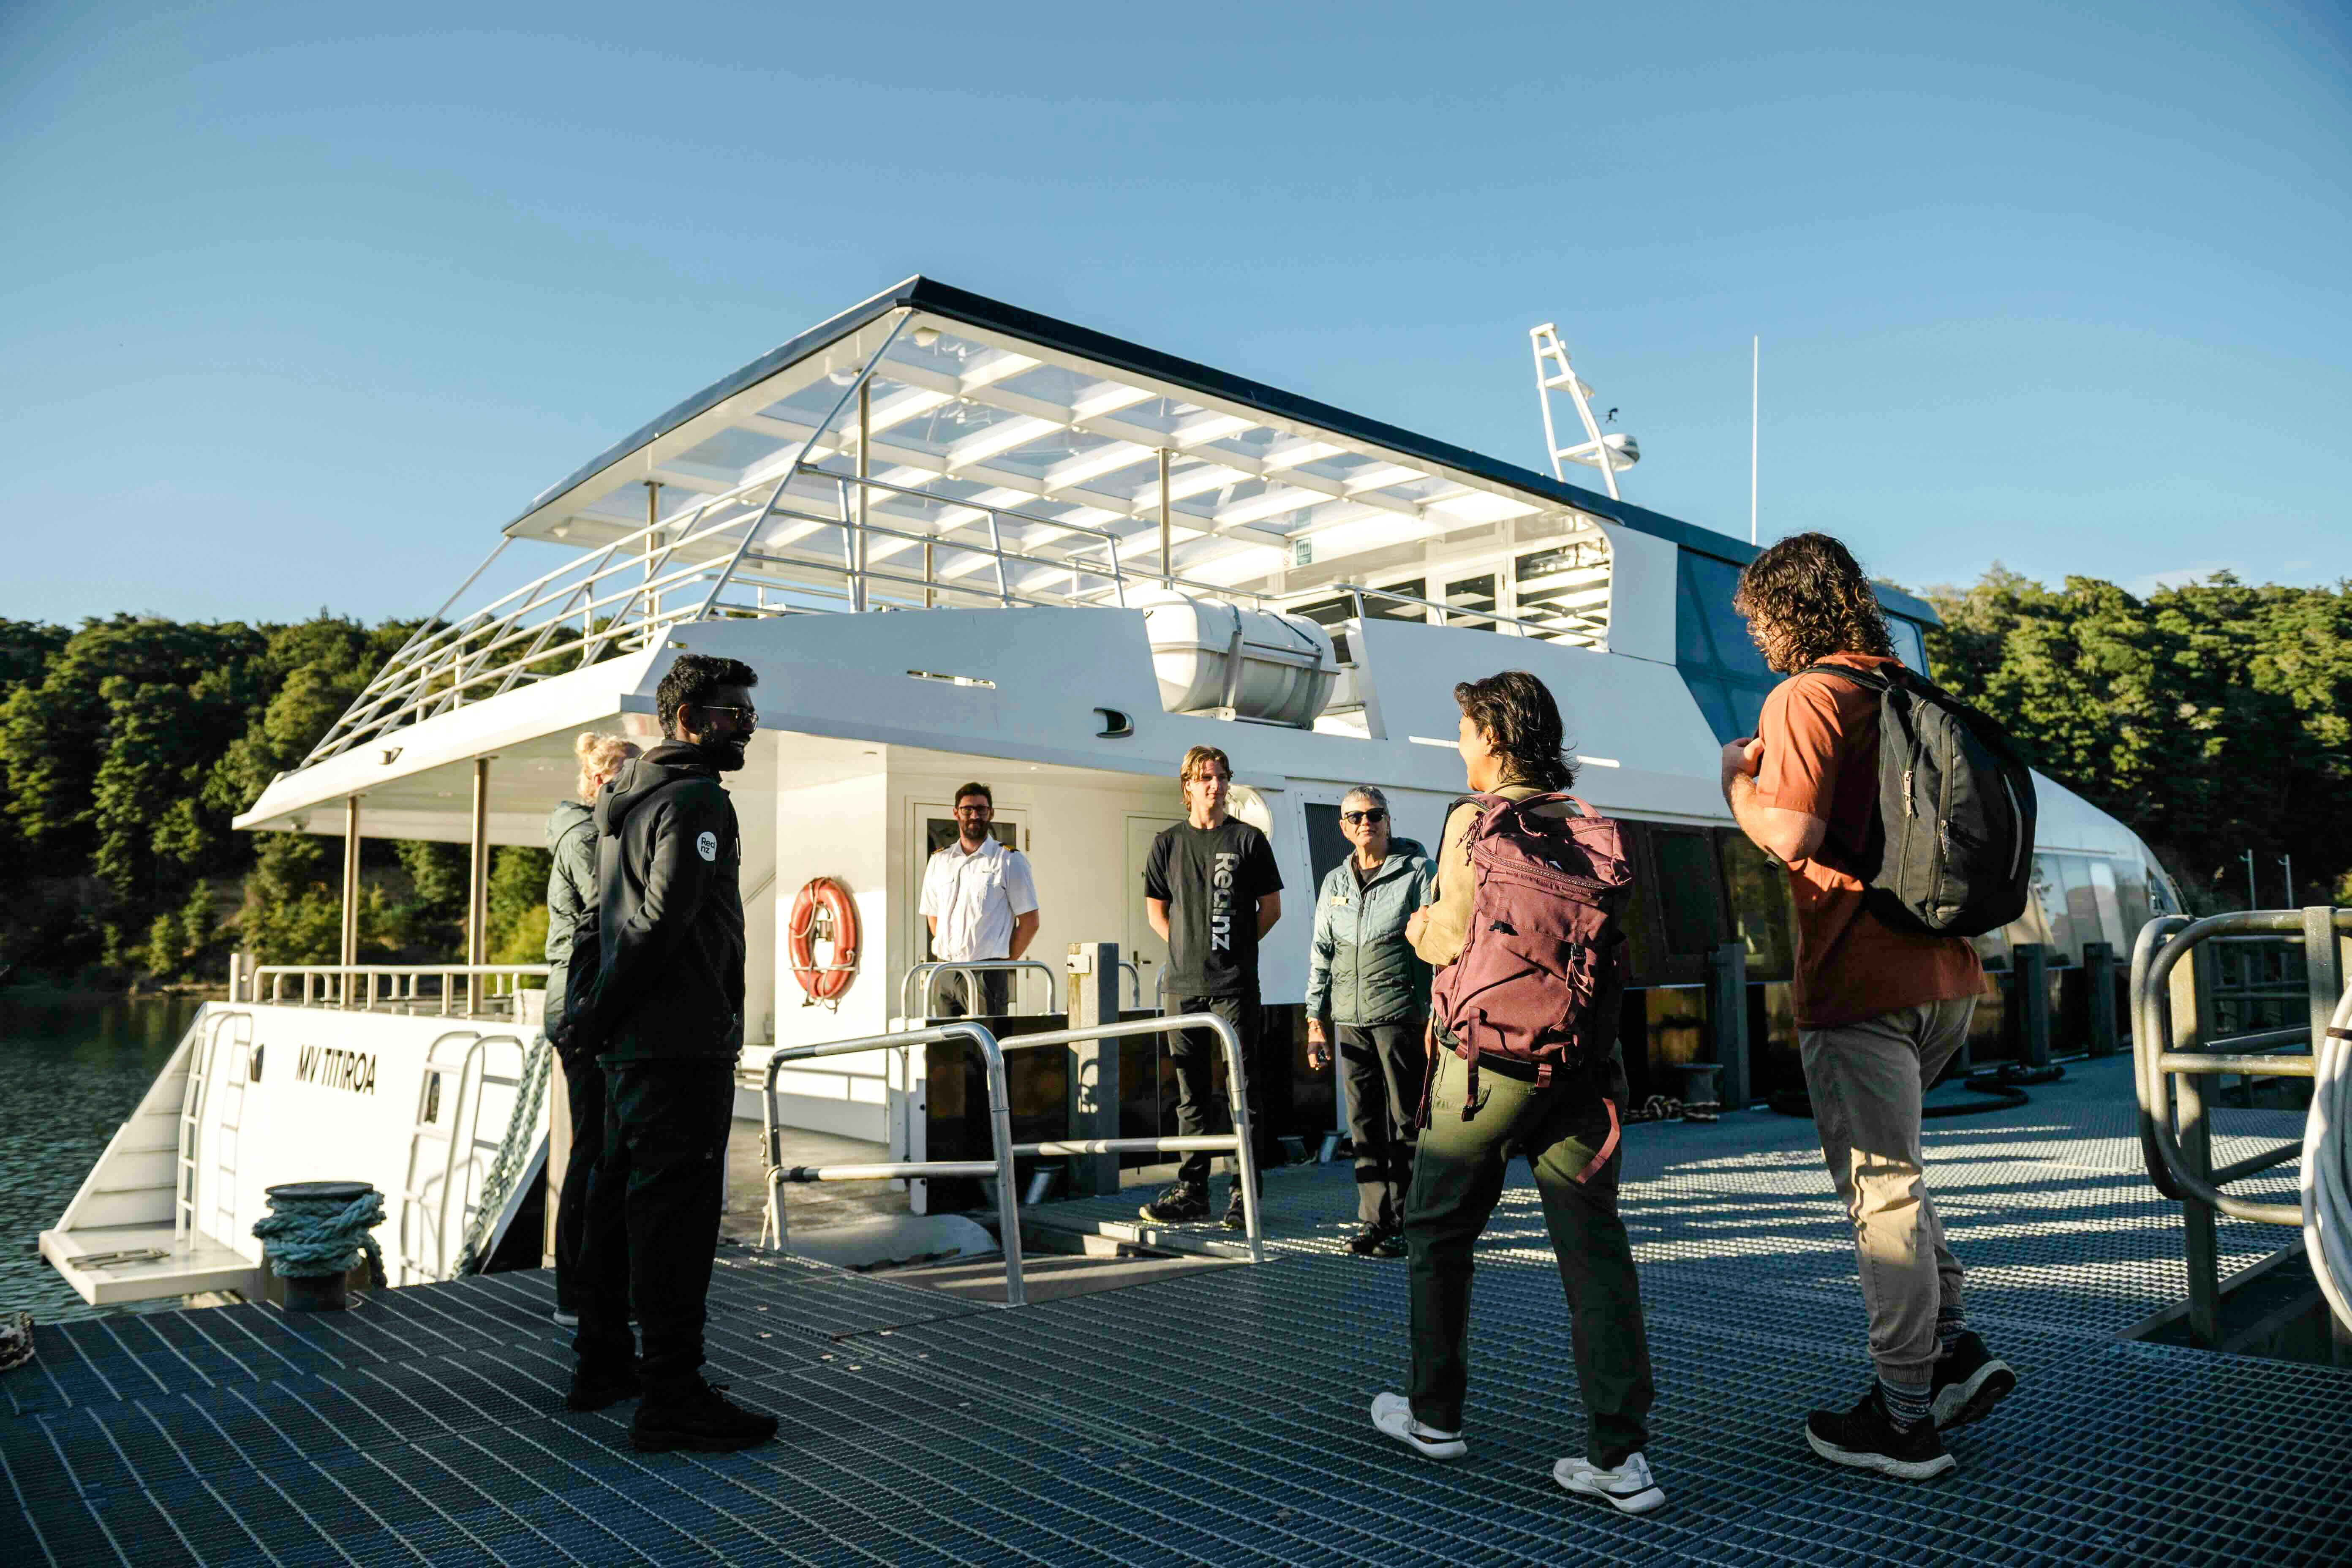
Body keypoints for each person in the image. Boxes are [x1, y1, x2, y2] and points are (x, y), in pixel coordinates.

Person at [1723, 531, 2015, 1481]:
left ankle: (1901, 1416)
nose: (1756, 634)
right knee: (1903, 1176)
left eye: (1759, 615)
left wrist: (1735, 782)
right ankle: (1954, 1351)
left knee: (1878, 1190)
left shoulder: (1806, 693)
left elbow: (1793, 830)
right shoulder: (1899, 686)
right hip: (1945, 979)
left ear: (1788, 609)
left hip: (1861, 983)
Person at [1372, 670, 1665, 1518]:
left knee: (1437, 1229)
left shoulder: (1476, 820)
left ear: (1496, 740)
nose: (1461, 745)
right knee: (1594, 1252)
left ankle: (1434, 1414)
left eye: (1466, 731)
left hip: (1489, 1067)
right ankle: (1622, 1455)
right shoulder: (1586, 821)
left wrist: (1417, 921)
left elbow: (1447, 933)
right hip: (1582, 1065)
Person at [562, 653, 777, 1453]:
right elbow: (662, 922)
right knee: (675, 1221)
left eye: (749, 715)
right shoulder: (695, 801)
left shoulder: (621, 802)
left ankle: (603, 1364)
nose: (746, 728)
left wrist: (591, 1014)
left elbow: (603, 921)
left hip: (630, 1047)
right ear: (688, 721)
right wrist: (604, 1009)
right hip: (679, 1045)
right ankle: (673, 1394)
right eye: (734, 714)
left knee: (621, 1207)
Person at [1138, 744, 1283, 1231]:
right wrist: (1188, 948)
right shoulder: (1167, 843)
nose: (1214, 785)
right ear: (1187, 786)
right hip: (1182, 987)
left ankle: (1245, 1195)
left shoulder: (1248, 841)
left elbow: (1271, 909)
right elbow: (1156, 910)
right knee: (1191, 1094)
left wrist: (1234, 949)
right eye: (1204, 777)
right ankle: (1192, 1191)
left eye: (1221, 776)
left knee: (1243, 1091)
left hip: (1235, 987)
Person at [1304, 785, 1435, 1258]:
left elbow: (1437, 951)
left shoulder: (1417, 871)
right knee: (1362, 1123)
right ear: (1343, 827)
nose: (1366, 822)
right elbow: (1322, 953)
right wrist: (1314, 1021)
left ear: (1388, 820)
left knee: (1407, 1121)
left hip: (1400, 1014)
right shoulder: (1335, 882)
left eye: (1375, 814)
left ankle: (1410, 1220)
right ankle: (1375, 1221)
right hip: (1349, 1018)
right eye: (1355, 816)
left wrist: (1436, 1015)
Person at [544, 731, 639, 1328]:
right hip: (579, 1008)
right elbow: (609, 914)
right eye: (632, 778)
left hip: (582, 1003)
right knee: (593, 1150)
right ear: (604, 781)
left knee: (601, 1148)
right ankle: (577, 1295)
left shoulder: (591, 834)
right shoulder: (585, 838)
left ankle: (592, 1288)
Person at [917, 782, 1040, 1019]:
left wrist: (1001, 964)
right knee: (946, 1050)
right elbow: (933, 916)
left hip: (987, 973)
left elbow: (1030, 922)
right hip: (945, 971)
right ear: (956, 813)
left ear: (991, 813)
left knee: (988, 1046)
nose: (975, 816)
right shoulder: (939, 861)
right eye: (967, 809)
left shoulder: (1008, 860)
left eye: (982, 810)